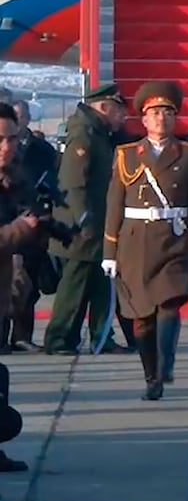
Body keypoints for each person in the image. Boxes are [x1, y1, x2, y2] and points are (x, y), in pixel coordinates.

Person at [101, 82, 188, 401]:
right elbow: (114, 205)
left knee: (169, 304)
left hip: (174, 240)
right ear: (144, 120)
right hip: (135, 243)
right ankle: (151, 375)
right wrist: (109, 250)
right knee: (142, 318)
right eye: (154, 113)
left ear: (174, 118)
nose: (160, 118)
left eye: (166, 112)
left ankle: (165, 364)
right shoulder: (125, 155)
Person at [42, 84, 124, 355]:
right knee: (74, 287)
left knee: (100, 283)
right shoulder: (83, 135)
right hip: (79, 229)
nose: (122, 118)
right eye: (118, 111)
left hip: (96, 226)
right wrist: (85, 220)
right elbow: (73, 183)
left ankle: (102, 335)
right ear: (104, 107)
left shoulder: (99, 133)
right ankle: (58, 339)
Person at [0, 102, 49, 474]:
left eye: (11, 138)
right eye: (0, 139)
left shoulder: (14, 179)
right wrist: (19, 228)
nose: (6, 146)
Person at [8, 100, 57, 353]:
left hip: (32, 224)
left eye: (20, 116)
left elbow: (54, 178)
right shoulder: (5, 147)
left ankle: (21, 336)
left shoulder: (42, 149)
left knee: (26, 285)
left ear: (28, 118)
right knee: (8, 283)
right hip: (8, 222)